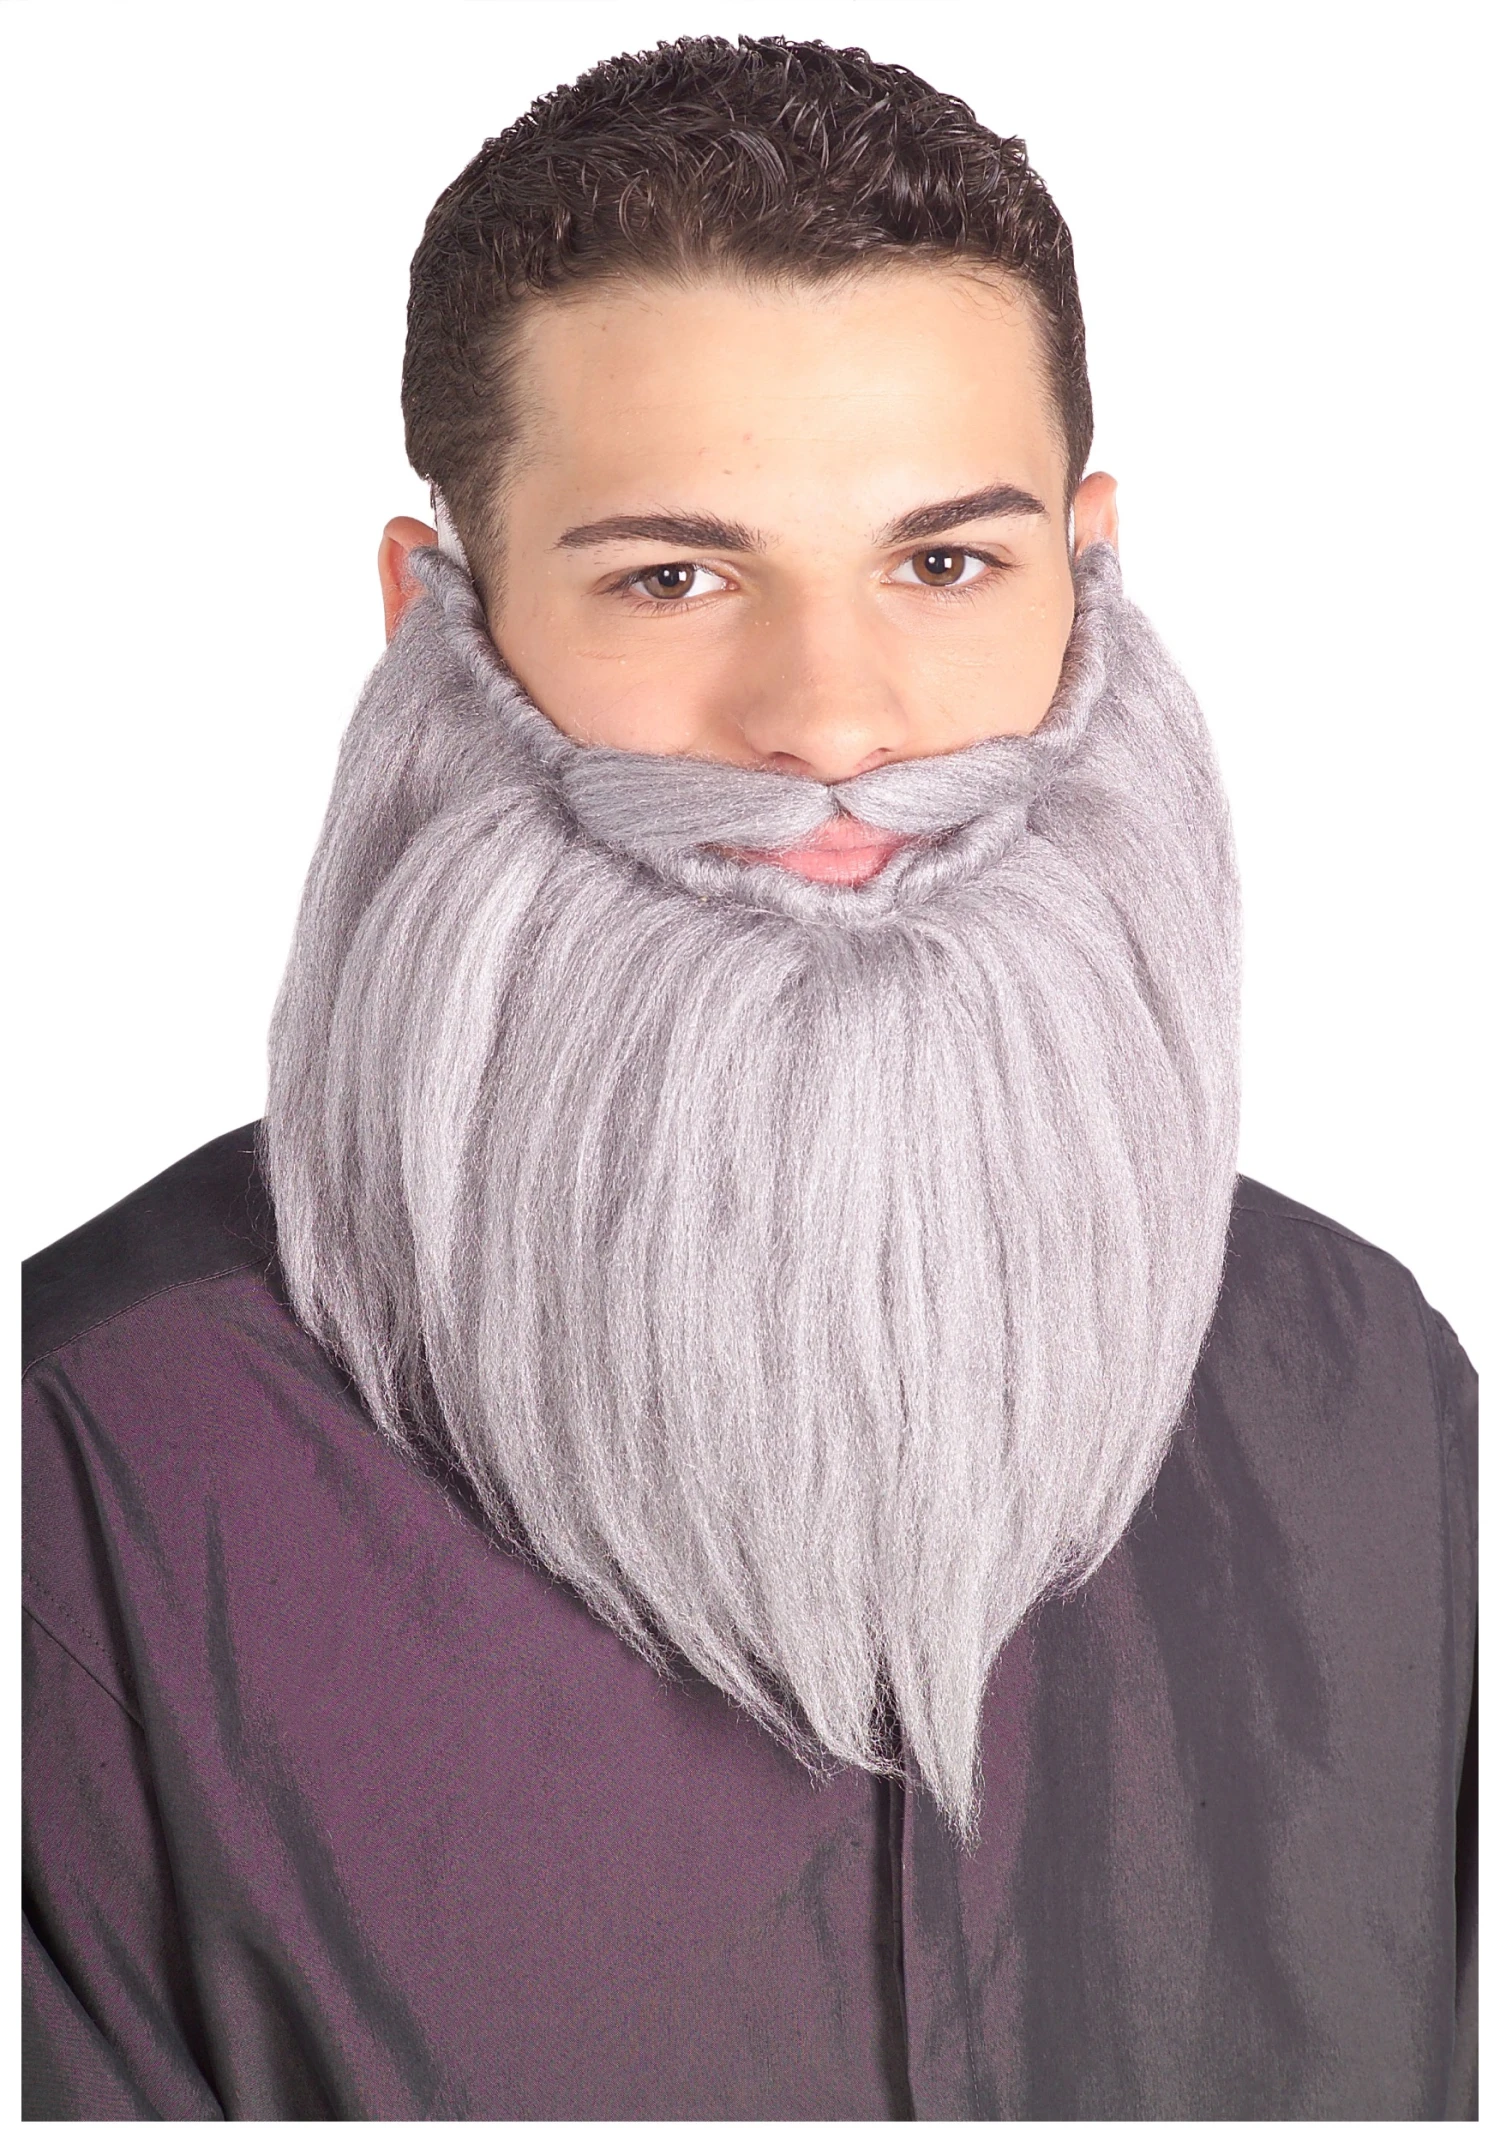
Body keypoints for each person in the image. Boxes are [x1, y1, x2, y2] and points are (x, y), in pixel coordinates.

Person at [22, 33, 1476, 2122]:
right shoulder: (87, 1473)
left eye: (944, 563)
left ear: (1089, 574)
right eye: (674, 576)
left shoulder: (1364, 1399)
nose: (833, 722)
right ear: (435, 616)